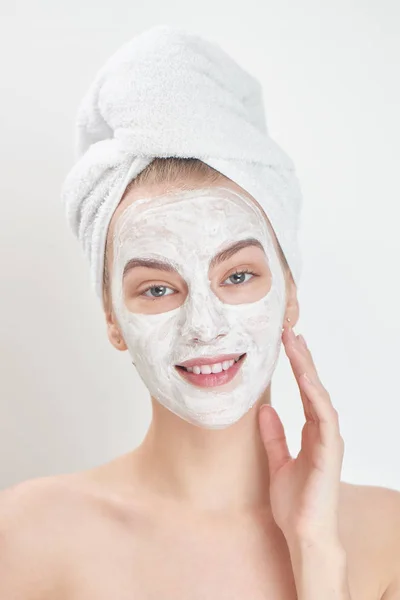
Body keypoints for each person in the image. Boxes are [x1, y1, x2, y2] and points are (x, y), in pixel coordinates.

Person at [2, 23, 400, 598]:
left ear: (289, 290)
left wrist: (317, 549)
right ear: (112, 316)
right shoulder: (21, 538)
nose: (205, 325)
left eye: (237, 276)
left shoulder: (387, 539)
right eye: (158, 288)